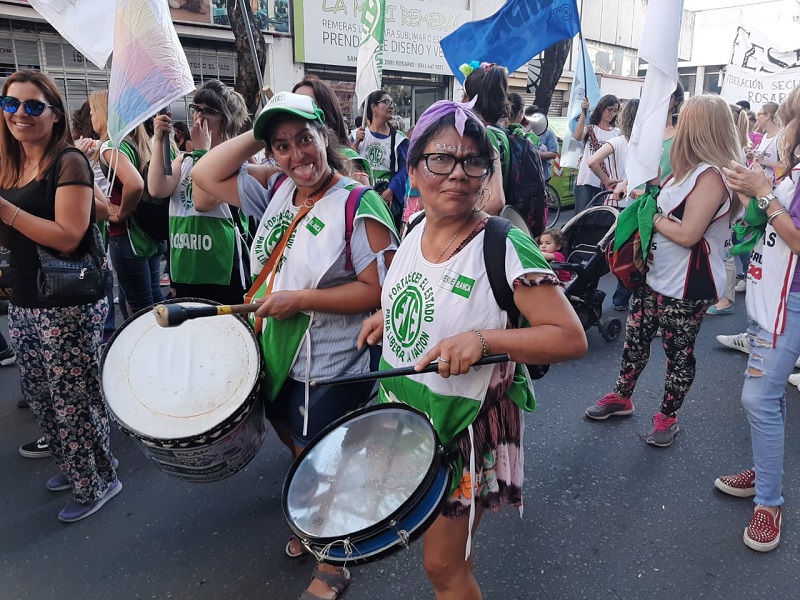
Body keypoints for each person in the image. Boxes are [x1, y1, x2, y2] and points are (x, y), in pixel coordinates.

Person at [358, 99, 587, 600]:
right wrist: (388, 314)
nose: (457, 173)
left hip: (464, 428)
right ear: (413, 169)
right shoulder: (414, 231)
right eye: (441, 158)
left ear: (485, 173)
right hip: (411, 413)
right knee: (450, 553)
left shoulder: (502, 244)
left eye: (472, 161)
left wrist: (484, 341)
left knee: (442, 567)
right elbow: (423, 292)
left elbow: (570, 337)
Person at [192, 91, 398, 600]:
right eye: (281, 146)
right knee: (295, 441)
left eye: (304, 138)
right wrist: (259, 132)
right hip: (277, 353)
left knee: (321, 454)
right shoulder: (279, 191)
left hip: (332, 361)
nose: (297, 155)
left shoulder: (357, 201)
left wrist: (301, 299)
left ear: (325, 135)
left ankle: (334, 561)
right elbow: (204, 176)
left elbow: (378, 292)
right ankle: (316, 513)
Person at [584, 94, 741, 448]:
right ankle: (622, 397)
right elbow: (653, 193)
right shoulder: (688, 170)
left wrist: (651, 217)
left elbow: (688, 234)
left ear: (699, 127)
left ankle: (668, 417)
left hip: (688, 284)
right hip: (654, 276)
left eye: (684, 118)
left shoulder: (714, 176)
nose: (677, 122)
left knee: (677, 354)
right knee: (635, 341)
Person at [0, 70, 120, 521]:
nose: (20, 115)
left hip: (68, 299)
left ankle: (100, 479)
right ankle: (76, 467)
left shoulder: (69, 161)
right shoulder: (10, 162)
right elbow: (14, 238)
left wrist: (7, 211)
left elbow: (69, 236)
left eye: (34, 106)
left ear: (54, 115)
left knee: (74, 397)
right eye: (11, 104)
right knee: (41, 393)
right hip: (26, 294)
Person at [715, 84, 800, 552]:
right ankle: (765, 475)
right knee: (767, 398)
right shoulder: (794, 168)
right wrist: (754, 193)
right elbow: (773, 220)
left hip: (791, 299)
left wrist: (764, 193)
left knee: (759, 399)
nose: (782, 129)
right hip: (777, 294)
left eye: (788, 118)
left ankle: (769, 502)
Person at [148, 80, 249, 304]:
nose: (199, 117)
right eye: (196, 109)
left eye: (209, 111)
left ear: (225, 118)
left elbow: (202, 203)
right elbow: (157, 188)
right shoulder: (185, 159)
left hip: (220, 269)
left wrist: (203, 151)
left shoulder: (233, 160)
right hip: (186, 265)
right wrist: (159, 140)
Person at [89, 90, 164, 317]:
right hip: (149, 234)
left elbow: (134, 183)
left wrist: (121, 213)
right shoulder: (137, 143)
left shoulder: (111, 146)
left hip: (128, 236)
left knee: (142, 309)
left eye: (92, 111)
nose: (91, 117)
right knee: (154, 300)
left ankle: (149, 352)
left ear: (104, 114)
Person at [292, 75, 370, 185]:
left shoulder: (348, 159)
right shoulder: (287, 160)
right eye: (294, 104)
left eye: (309, 103)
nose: (300, 111)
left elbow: (362, 198)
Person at [352, 90, 409, 227]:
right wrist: (355, 143)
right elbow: (348, 163)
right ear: (373, 107)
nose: (391, 106)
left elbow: (404, 169)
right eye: (386, 102)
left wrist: (392, 190)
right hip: (362, 197)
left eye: (392, 103)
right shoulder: (357, 135)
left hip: (387, 199)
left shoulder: (399, 139)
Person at [573, 94, 620, 213]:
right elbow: (577, 136)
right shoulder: (591, 129)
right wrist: (584, 113)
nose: (612, 114)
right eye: (610, 110)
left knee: (600, 216)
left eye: (615, 111)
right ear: (602, 108)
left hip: (606, 182)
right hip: (586, 179)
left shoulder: (617, 133)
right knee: (581, 216)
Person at [751, 102, 784, 184]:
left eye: (759, 114)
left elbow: (786, 165)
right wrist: (753, 157)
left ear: (767, 116)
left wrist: (763, 161)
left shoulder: (782, 138)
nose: (757, 118)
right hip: (759, 185)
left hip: (773, 188)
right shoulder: (765, 136)